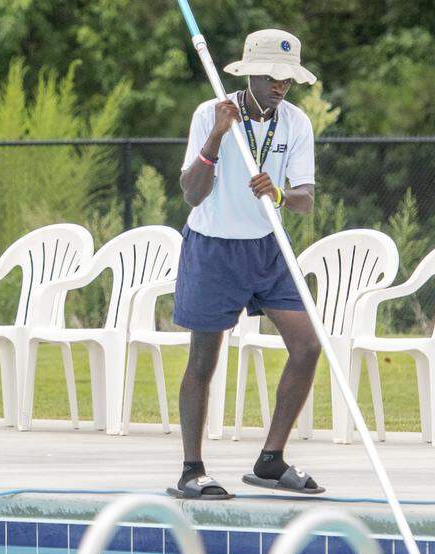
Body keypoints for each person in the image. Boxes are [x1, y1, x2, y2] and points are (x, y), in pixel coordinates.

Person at [168, 28, 325, 500]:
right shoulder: (210, 114)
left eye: (288, 79)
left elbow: (305, 201)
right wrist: (216, 137)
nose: (281, 86)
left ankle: (271, 460)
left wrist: (278, 193)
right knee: (203, 359)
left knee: (307, 346)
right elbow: (192, 193)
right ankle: (192, 470)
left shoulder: (295, 123)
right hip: (214, 246)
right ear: (251, 74)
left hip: (266, 246)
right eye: (273, 77)